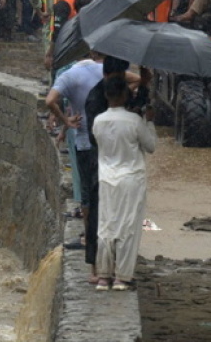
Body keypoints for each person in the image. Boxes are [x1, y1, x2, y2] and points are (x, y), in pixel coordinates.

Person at [93, 75, 156, 291]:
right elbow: (151, 146)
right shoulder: (134, 121)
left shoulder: (98, 121)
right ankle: (122, 277)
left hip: (107, 179)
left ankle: (103, 276)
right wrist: (149, 120)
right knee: (128, 226)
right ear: (124, 94)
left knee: (106, 224)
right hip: (131, 179)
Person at [45, 54, 104, 229]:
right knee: (104, 187)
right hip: (106, 140)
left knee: (87, 190)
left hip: (84, 141)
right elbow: (136, 81)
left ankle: (88, 237)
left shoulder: (69, 75)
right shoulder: (105, 71)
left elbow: (50, 101)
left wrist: (65, 121)